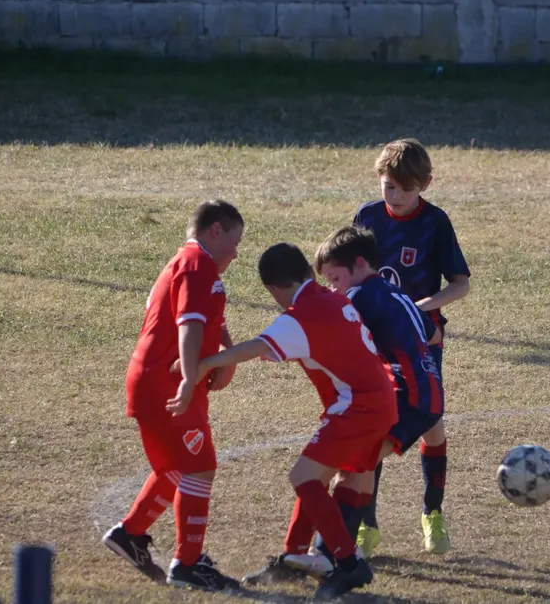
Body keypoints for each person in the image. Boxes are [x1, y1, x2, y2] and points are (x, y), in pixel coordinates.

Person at [174, 242, 396, 600]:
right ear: (310, 272)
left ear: (272, 289)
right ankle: (295, 557)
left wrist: (203, 365)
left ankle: (349, 564)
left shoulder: (300, 316)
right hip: (381, 401)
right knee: (334, 477)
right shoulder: (333, 299)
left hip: (358, 407)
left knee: (303, 477)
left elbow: (257, 346)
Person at [101, 200, 243, 591]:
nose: (236, 251)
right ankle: (188, 564)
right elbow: (189, 326)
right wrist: (189, 376)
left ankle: (130, 535)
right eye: (234, 240)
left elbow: (209, 321)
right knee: (199, 466)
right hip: (166, 382)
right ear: (215, 230)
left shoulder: (194, 264)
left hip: (165, 380)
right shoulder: (198, 264)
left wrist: (223, 358)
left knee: (181, 465)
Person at [352, 138, 471, 556]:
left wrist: (420, 307)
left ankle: (432, 513)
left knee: (430, 420)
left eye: (405, 188)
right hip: (374, 338)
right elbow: (349, 271)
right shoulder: (367, 216)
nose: (396, 196)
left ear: (426, 184)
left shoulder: (435, 223)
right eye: (389, 186)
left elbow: (461, 284)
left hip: (423, 337)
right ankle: (366, 525)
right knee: (376, 424)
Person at [311, 225, 444, 559]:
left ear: (358, 264)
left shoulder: (358, 297)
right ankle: (352, 542)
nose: (333, 288)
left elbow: (332, 340)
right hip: (426, 391)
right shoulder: (395, 292)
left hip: (407, 397)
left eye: (335, 279)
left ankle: (331, 551)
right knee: (361, 460)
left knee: (346, 463)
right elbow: (433, 336)